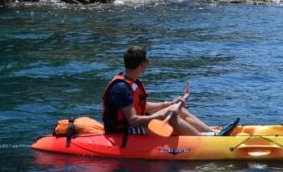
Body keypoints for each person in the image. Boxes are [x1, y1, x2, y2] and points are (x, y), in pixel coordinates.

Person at [102, 46, 239, 137]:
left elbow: (142, 105)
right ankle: (205, 141)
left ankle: (213, 133)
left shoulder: (131, 81)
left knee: (176, 109)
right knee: (172, 116)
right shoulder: (121, 88)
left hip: (133, 123)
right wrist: (161, 116)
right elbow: (133, 120)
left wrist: (169, 104)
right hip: (123, 131)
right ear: (142, 65)